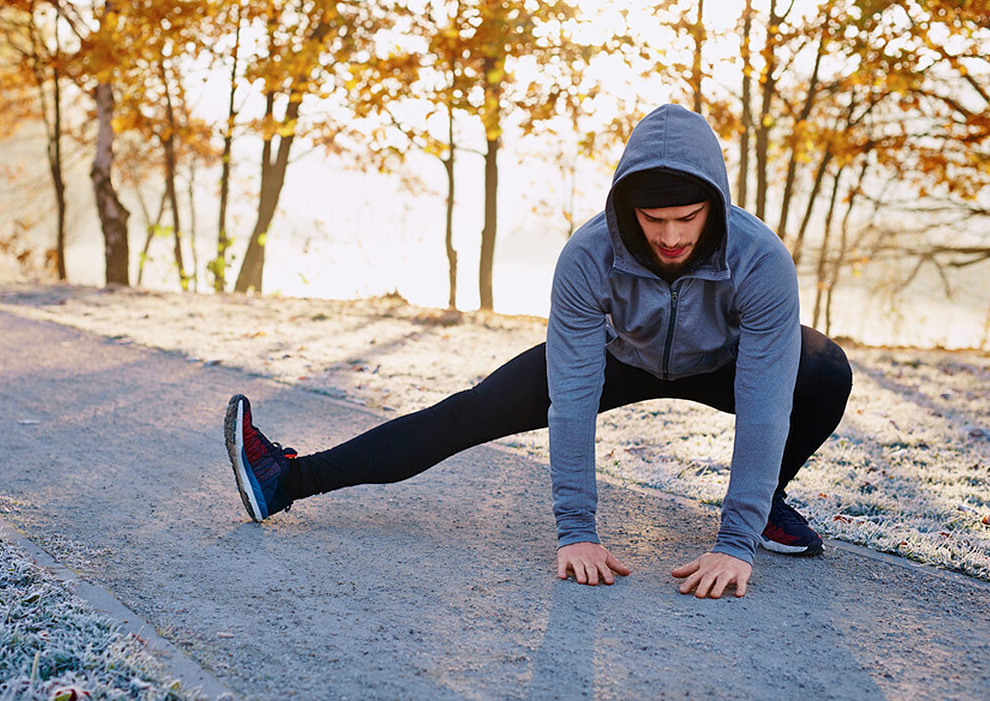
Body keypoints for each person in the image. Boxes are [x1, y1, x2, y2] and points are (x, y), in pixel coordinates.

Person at [223, 103, 852, 600]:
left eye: (685, 218)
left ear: (714, 202)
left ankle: (764, 506)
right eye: (651, 219)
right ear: (626, 206)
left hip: (725, 362)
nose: (669, 235)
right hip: (621, 357)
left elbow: (766, 403)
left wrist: (733, 542)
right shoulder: (588, 254)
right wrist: (576, 531)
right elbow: (573, 400)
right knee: (466, 412)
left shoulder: (760, 258)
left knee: (823, 369)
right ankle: (286, 479)